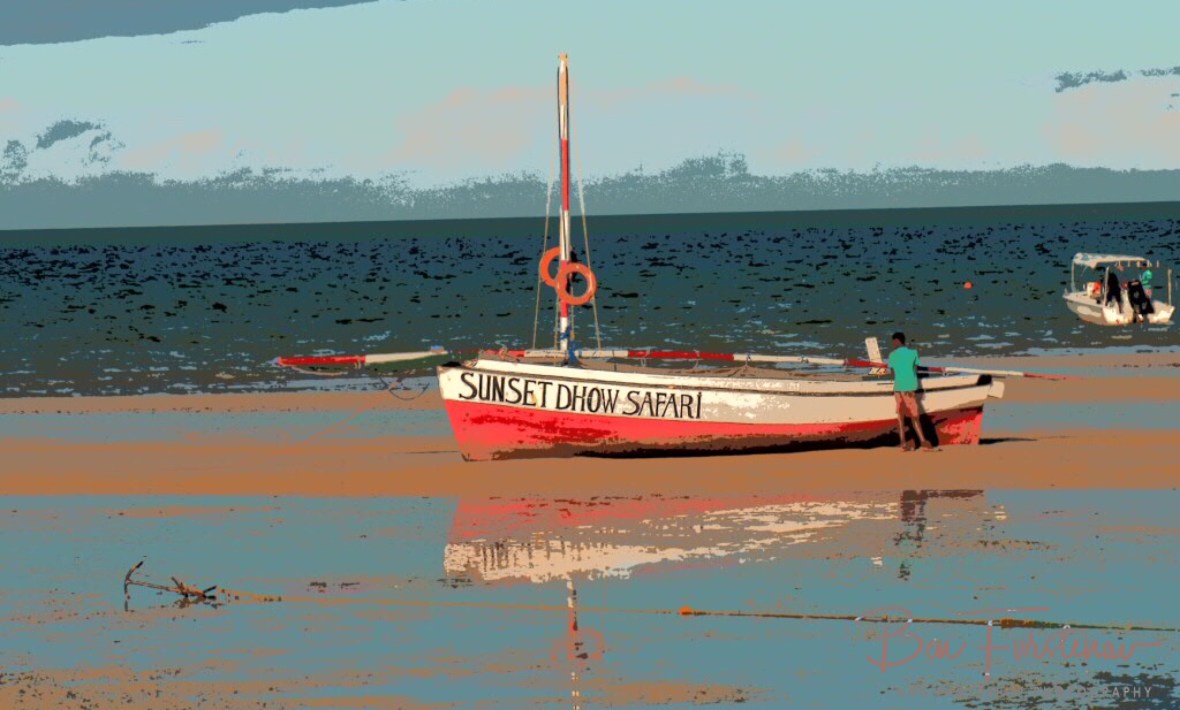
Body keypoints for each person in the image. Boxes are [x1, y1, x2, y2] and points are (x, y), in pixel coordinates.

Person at [887, 332, 933, 452]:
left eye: (893, 342)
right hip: (909, 389)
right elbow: (915, 369)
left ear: (897, 341)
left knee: (901, 417)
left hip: (898, 389)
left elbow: (893, 372)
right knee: (914, 417)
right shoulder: (913, 353)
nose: (893, 344)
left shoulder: (892, 355)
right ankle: (923, 442)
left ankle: (903, 444)